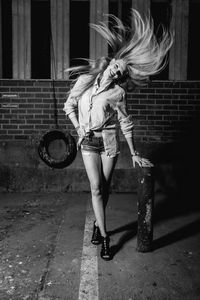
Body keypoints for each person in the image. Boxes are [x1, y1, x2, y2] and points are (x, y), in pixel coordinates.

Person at [63, 9, 173, 260]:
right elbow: (68, 106)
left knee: (105, 187)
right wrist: (79, 127)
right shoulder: (85, 80)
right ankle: (104, 236)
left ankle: (97, 225)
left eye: (121, 73)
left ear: (122, 77)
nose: (116, 72)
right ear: (111, 62)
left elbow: (126, 123)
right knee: (95, 187)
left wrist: (134, 153)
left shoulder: (118, 94)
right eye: (116, 66)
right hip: (89, 141)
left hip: (110, 142)